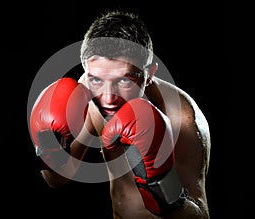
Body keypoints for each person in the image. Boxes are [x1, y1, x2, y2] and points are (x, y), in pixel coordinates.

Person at [29, 10, 211, 219]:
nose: (107, 98)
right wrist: (49, 146)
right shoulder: (86, 94)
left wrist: (160, 187)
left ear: (149, 74)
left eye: (124, 80)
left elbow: (200, 216)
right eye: (96, 79)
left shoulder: (182, 119)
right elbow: (57, 180)